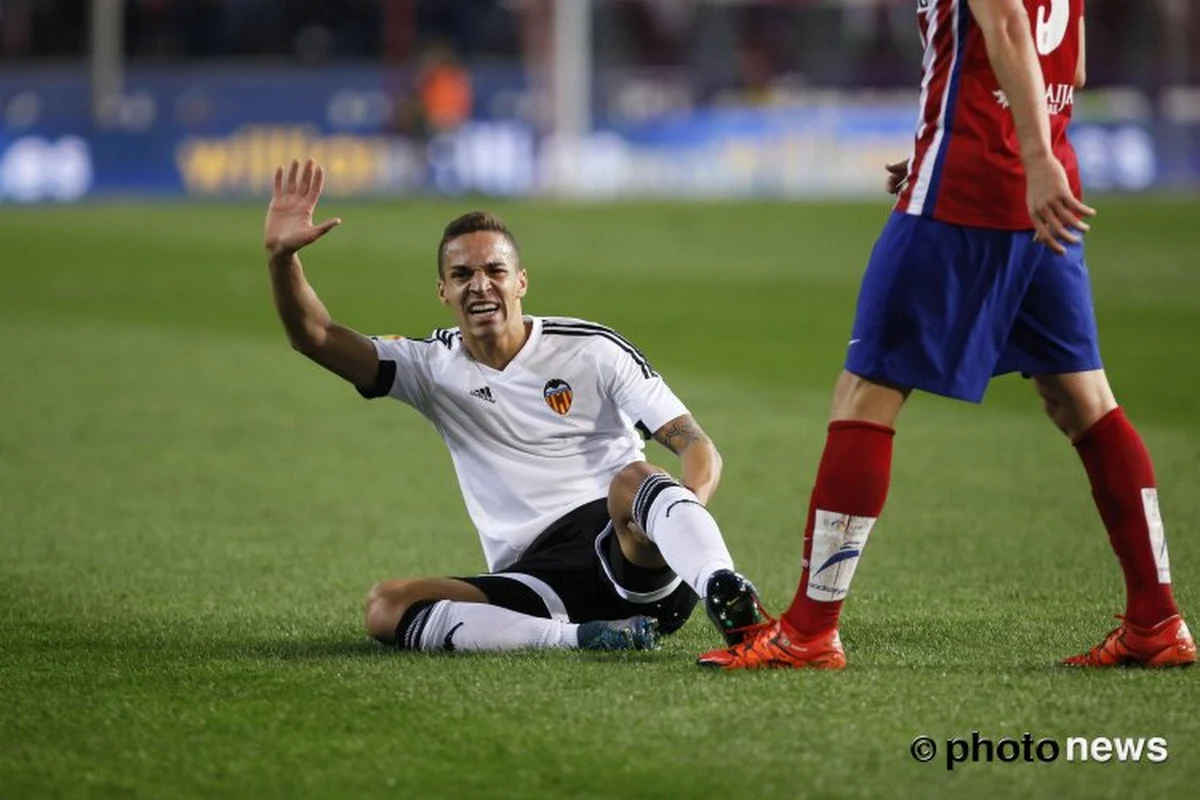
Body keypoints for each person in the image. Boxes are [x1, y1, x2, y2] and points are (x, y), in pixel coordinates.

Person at [699, 0, 1194, 670]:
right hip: (1036, 188)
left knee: (866, 390)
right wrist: (997, 146)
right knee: (1082, 399)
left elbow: (1011, 28)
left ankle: (810, 632)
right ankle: (1157, 620)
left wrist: (1016, 153)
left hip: (972, 187)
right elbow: (1067, 65)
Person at [263, 158, 763, 654]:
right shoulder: (432, 366)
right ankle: (582, 640)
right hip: (537, 581)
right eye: (462, 274)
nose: (480, 284)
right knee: (385, 606)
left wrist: (679, 526)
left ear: (520, 281)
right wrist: (281, 259)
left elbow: (695, 444)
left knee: (633, 479)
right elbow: (318, 336)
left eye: (494, 270)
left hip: (629, 554)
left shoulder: (592, 350)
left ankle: (725, 591)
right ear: (444, 291)